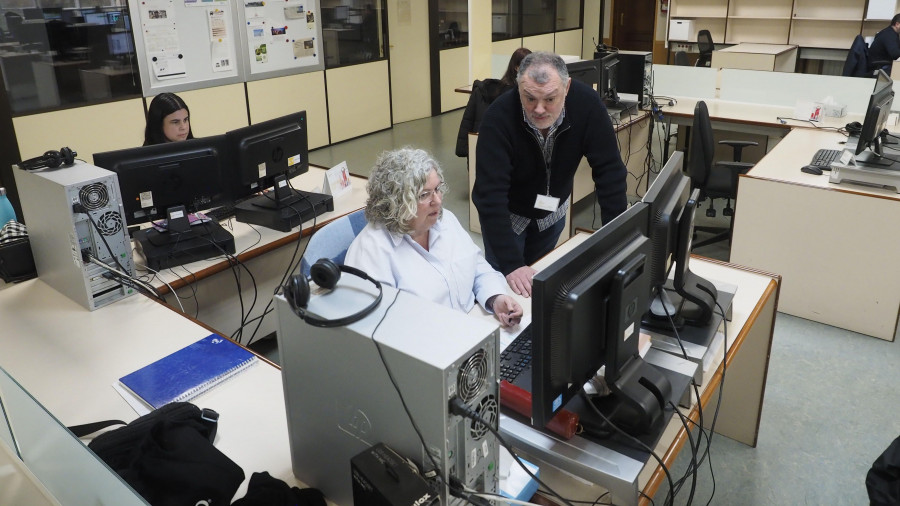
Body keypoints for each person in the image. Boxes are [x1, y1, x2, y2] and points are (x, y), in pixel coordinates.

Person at [472, 51, 627, 297]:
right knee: (507, 290)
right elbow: (489, 196)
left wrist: (618, 242)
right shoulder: (498, 118)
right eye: (529, 98)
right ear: (518, 87)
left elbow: (610, 173)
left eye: (550, 99)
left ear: (567, 87)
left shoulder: (587, 105)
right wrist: (512, 265)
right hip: (508, 219)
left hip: (552, 215)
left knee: (541, 284)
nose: (539, 109)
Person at [345, 148, 523, 327]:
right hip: (424, 344)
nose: (437, 200)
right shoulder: (371, 251)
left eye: (437, 189)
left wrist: (496, 298)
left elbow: (478, 267)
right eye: (424, 194)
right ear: (395, 202)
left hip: (472, 326)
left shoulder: (445, 221)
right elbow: (379, 327)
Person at [455, 47, 531, 158]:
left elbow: (467, 122)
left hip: (477, 150)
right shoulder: (514, 96)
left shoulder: (487, 89)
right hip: (499, 152)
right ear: (517, 68)